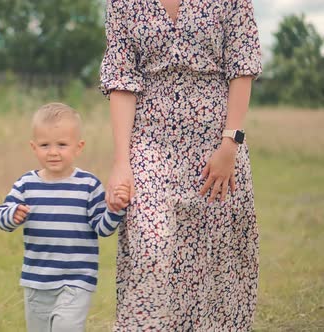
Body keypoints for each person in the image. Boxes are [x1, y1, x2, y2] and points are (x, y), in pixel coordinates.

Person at [99, 0, 262, 330]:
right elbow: (121, 79)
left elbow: (242, 66)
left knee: (212, 259)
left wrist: (230, 143)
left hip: (216, 146)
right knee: (149, 250)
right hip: (149, 143)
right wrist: (121, 162)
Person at [0, 102, 131, 332]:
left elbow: (102, 228)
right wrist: (12, 215)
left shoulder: (88, 185)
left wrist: (115, 209)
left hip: (76, 279)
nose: (53, 152)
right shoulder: (26, 185)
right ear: (33, 147)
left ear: (78, 147)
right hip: (37, 281)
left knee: (65, 327)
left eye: (62, 144)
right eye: (45, 145)